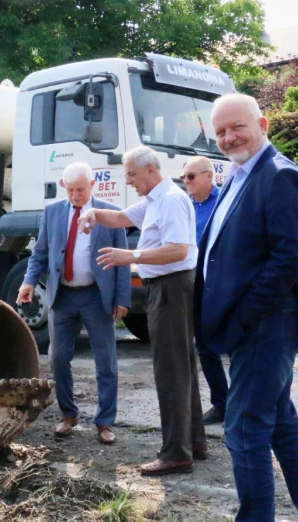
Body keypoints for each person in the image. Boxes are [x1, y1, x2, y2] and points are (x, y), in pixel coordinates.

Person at [198, 94, 298, 522]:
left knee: (244, 428)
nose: (229, 137)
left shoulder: (280, 175)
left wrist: (244, 317)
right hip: (258, 325)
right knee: (280, 424)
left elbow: (291, 256)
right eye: (220, 132)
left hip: (267, 325)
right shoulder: (240, 175)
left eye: (237, 127)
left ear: (262, 122)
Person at [79, 146, 205, 476]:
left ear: (150, 170)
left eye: (132, 174)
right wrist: (93, 213)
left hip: (172, 287)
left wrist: (131, 256)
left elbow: (178, 250)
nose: (129, 180)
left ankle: (177, 453)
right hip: (169, 287)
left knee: (171, 369)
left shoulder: (171, 200)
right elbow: (121, 217)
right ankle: (194, 441)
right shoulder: (154, 199)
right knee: (183, 365)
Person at [18, 162, 131, 445]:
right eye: (70, 190)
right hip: (63, 296)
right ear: (63, 186)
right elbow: (40, 253)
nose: (75, 195)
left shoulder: (110, 213)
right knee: (58, 358)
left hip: (96, 295)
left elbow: (123, 262)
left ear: (92, 185)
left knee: (106, 360)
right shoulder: (53, 212)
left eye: (80, 189)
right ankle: (68, 415)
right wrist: (29, 282)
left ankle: (105, 422)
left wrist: (122, 299)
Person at [182, 157, 228, 425]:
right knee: (205, 346)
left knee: (235, 345)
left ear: (209, 176)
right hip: (195, 284)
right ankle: (221, 404)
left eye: (191, 176)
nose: (186, 182)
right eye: (184, 177)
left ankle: (247, 405)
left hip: (223, 284)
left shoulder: (225, 202)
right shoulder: (185, 206)